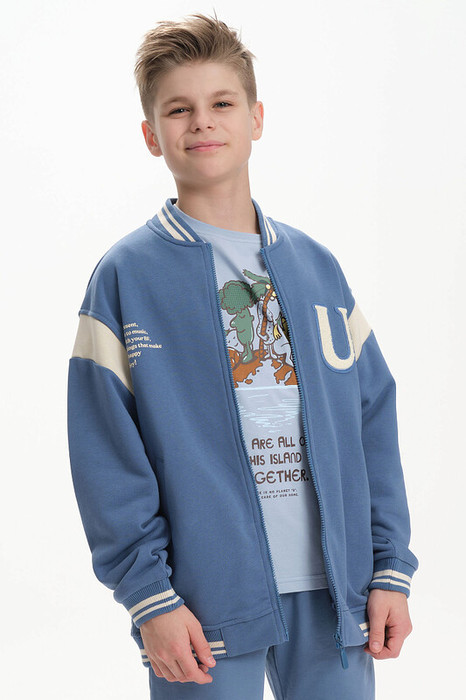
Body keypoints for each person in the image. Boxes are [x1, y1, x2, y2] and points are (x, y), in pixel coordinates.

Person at [67, 12, 419, 699]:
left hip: (337, 595)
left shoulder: (317, 268)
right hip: (201, 604)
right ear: (151, 135)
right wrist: (149, 598)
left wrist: (389, 570)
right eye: (179, 109)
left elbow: (372, 421)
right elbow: (104, 452)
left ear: (256, 118)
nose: (202, 121)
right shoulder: (125, 278)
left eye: (222, 103)